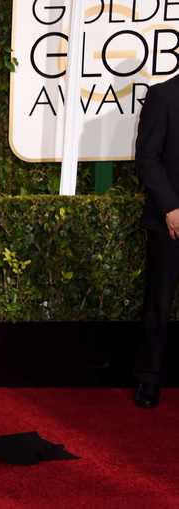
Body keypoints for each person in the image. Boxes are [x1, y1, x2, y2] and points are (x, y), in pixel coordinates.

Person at [134, 74, 179, 408]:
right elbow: (147, 157)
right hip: (170, 222)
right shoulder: (163, 95)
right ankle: (149, 380)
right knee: (159, 302)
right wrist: (170, 207)